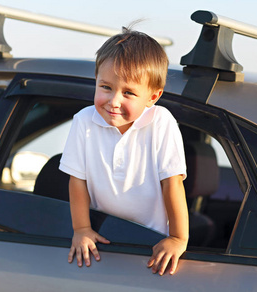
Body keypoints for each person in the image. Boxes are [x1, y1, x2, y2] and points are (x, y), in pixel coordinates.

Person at [59, 28, 188, 276]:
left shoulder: (161, 122)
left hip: (150, 241)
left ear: (153, 96)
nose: (114, 101)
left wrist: (177, 238)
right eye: (106, 87)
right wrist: (81, 229)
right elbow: (77, 181)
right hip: (103, 239)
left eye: (128, 92)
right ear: (96, 80)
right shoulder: (84, 120)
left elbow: (172, 183)